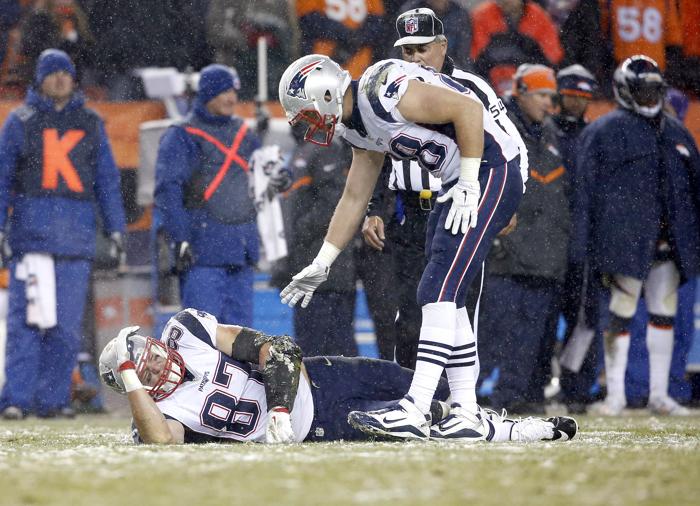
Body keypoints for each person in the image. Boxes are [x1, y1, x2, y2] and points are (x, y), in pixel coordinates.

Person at [277, 51, 526, 441]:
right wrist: (324, 261)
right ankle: (465, 411)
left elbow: (468, 110)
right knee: (449, 295)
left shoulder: (382, 91)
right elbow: (355, 196)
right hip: (457, 181)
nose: (306, 124)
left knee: (436, 289)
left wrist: (468, 181)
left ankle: (415, 407)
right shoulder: (356, 126)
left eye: (305, 112)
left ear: (325, 95)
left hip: (490, 168)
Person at [98, 308, 578, 444]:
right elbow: (160, 439)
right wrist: (128, 374)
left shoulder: (187, 331)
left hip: (322, 377)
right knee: (422, 430)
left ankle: (491, 418)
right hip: (321, 427)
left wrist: (279, 409)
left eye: (146, 349)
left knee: (418, 386)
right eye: (139, 365)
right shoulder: (158, 414)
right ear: (136, 385)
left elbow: (276, 347)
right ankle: (523, 432)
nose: (154, 358)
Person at [362, 7, 527, 368]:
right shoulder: (392, 88)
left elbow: (514, 143)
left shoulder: (473, 87)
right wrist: (375, 208)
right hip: (409, 212)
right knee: (408, 315)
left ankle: (456, 403)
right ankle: (408, 395)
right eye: (407, 51)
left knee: (461, 308)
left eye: (423, 47)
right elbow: (376, 154)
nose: (416, 57)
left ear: (443, 45)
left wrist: (511, 200)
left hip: (460, 206)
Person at [0, 48, 126, 419]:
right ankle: (16, 400)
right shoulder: (19, 121)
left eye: (65, 73)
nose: (59, 79)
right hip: (32, 239)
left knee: (65, 328)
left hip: (74, 239)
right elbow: (2, 180)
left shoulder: (90, 121)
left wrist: (116, 228)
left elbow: (107, 180)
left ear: (73, 78)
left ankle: (52, 401)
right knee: (27, 324)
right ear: (40, 79)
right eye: (52, 73)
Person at [571, 55, 700, 416]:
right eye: (642, 91)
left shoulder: (677, 132)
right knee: (620, 314)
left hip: (668, 244)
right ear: (625, 91)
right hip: (621, 243)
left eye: (653, 91)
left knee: (663, 314)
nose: (648, 98)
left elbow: (695, 187)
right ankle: (616, 396)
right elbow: (583, 192)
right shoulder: (603, 131)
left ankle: (659, 394)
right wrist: (583, 246)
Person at [154, 64, 288, 328]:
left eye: (233, 92)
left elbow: (264, 175)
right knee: (202, 338)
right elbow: (168, 191)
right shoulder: (182, 135)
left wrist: (282, 178)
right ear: (206, 94)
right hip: (201, 253)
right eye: (223, 91)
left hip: (240, 252)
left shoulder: (245, 135)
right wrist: (180, 238)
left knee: (242, 341)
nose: (231, 98)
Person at [478, 64, 569, 414]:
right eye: (543, 95)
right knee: (488, 338)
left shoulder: (552, 137)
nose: (549, 104)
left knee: (528, 345)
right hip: (505, 258)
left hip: (545, 260)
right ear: (522, 92)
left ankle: (511, 405)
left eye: (552, 96)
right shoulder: (499, 131)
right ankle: (463, 402)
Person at [284, 123, 358, 356]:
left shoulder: (325, 147)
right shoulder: (305, 147)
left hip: (325, 269)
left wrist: (298, 233)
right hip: (309, 264)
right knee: (312, 343)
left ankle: (337, 391)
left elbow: (333, 206)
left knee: (329, 345)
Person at [470, 0, 564, 95]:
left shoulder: (538, 16)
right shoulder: (482, 15)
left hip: (531, 84)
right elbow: (475, 56)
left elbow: (553, 56)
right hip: (491, 82)